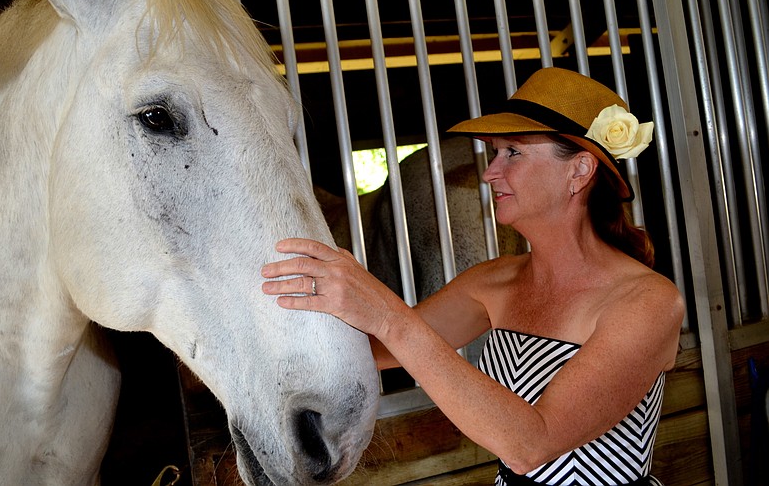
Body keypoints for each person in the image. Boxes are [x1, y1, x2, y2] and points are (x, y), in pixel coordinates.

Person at [261, 67, 685, 486]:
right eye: (494, 153)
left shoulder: (649, 303)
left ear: (579, 170)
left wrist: (388, 314)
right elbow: (377, 349)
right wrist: (285, 315)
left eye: (513, 152)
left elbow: (531, 445)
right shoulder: (492, 283)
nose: (489, 172)